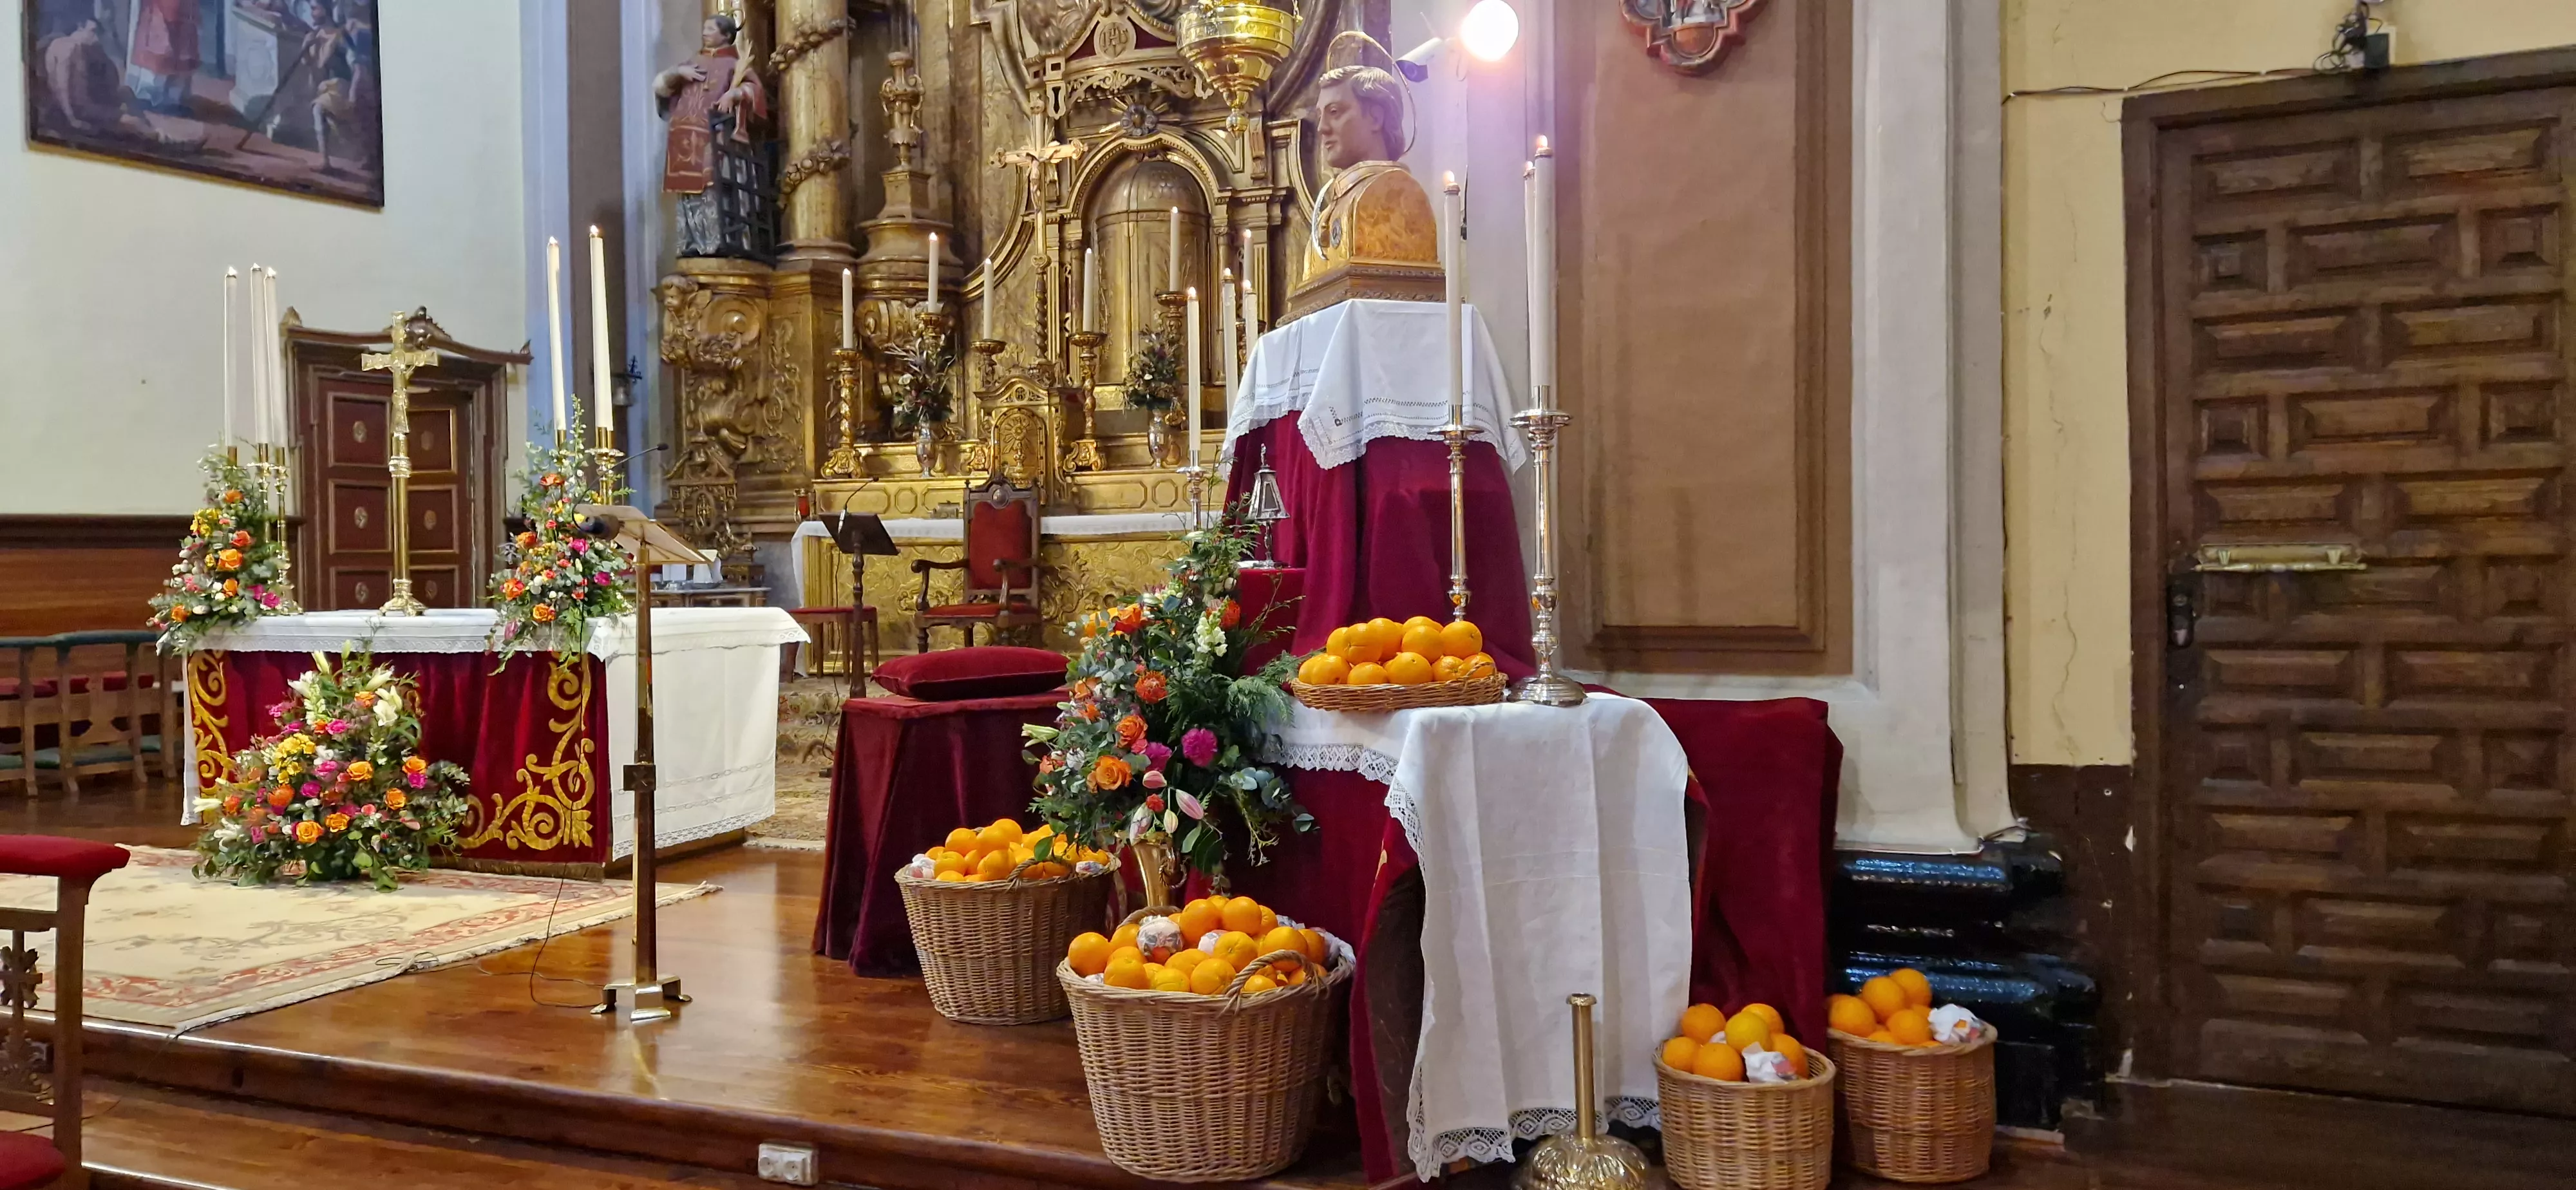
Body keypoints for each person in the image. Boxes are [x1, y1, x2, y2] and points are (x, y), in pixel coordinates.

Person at [656, 15, 769, 258]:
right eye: (704, 28)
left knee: (717, 190)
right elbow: (661, 88)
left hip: (717, 139)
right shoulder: (693, 62)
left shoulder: (735, 65)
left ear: (726, 36)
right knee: (687, 193)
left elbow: (756, 91)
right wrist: (677, 73)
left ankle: (719, 242)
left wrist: (734, 94)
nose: (704, 33)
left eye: (710, 29)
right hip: (685, 138)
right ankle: (693, 243)